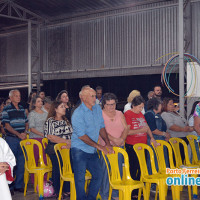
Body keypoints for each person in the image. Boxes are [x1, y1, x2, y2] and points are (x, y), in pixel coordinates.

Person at [71, 87, 113, 200]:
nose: (95, 98)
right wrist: (100, 146)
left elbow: (101, 127)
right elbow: (82, 136)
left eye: (95, 95)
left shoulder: (97, 109)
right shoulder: (77, 114)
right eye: (92, 96)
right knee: (80, 179)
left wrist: (107, 143)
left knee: (98, 175)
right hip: (79, 149)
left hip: (92, 149)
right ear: (83, 98)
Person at [124, 95, 157, 199]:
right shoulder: (128, 114)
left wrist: (152, 137)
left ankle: (139, 189)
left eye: (142, 107)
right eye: (139, 107)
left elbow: (147, 128)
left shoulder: (141, 115)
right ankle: (133, 191)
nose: (141, 109)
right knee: (134, 168)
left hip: (143, 146)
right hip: (132, 146)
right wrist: (140, 131)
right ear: (133, 105)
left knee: (141, 167)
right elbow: (127, 132)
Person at [99, 93, 128, 200]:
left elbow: (126, 128)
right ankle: (105, 195)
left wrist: (121, 139)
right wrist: (114, 140)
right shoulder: (100, 114)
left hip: (119, 147)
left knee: (118, 171)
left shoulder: (120, 113)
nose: (111, 107)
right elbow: (101, 130)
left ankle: (116, 194)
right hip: (106, 147)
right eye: (108, 104)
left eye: (113, 104)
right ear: (104, 105)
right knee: (106, 172)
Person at [44, 100, 73, 198]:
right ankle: (57, 190)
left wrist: (69, 144)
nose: (64, 108)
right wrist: (65, 142)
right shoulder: (50, 121)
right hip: (54, 148)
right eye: (62, 107)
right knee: (58, 167)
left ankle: (67, 189)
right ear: (55, 109)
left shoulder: (66, 120)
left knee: (69, 167)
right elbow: (50, 136)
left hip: (67, 148)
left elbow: (71, 134)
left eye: (64, 107)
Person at [2, 90, 28, 195]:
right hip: (12, 138)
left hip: (22, 138)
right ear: (11, 97)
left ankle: (18, 185)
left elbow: (26, 123)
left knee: (21, 162)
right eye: (16, 96)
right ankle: (10, 186)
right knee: (11, 163)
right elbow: (7, 126)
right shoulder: (6, 109)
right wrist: (18, 134)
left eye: (19, 96)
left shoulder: (22, 108)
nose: (18, 97)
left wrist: (25, 133)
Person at [144, 98, 170, 191]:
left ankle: (163, 182)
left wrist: (166, 135)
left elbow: (163, 128)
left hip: (161, 142)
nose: (162, 106)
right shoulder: (149, 114)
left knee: (162, 161)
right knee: (153, 162)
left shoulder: (158, 115)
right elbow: (152, 129)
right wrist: (164, 134)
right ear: (156, 105)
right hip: (153, 142)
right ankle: (153, 185)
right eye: (160, 104)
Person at [161, 97, 193, 163]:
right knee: (176, 159)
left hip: (183, 138)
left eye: (173, 103)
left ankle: (180, 171)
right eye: (170, 104)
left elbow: (184, 122)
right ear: (165, 105)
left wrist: (189, 128)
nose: (173, 105)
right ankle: (175, 172)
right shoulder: (165, 114)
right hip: (175, 139)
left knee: (182, 158)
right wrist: (183, 129)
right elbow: (171, 126)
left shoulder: (176, 113)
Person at [28, 96, 48, 183]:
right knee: (35, 159)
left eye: (41, 101)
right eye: (39, 101)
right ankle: (35, 181)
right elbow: (31, 128)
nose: (41, 102)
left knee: (45, 159)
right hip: (36, 139)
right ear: (35, 103)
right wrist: (42, 135)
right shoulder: (32, 114)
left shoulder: (45, 113)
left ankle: (44, 181)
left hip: (44, 139)